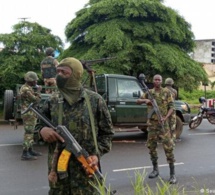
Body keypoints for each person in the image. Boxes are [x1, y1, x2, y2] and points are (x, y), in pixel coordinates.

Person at [36, 57, 114, 194]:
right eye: (57, 71)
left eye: (64, 72)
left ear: (76, 74)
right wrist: (42, 131)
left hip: (87, 175)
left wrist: (97, 155)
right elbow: (36, 129)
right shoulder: (52, 101)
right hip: (59, 179)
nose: (59, 75)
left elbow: (107, 134)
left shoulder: (95, 101)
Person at [136, 74, 177, 184]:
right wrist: (146, 101)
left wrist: (165, 117)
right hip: (152, 126)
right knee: (151, 147)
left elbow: (172, 107)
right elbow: (137, 101)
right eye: (155, 79)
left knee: (169, 148)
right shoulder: (150, 93)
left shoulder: (166, 92)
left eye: (159, 79)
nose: (157, 81)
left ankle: (172, 174)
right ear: (153, 81)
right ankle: (155, 170)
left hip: (163, 125)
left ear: (162, 81)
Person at [20, 71, 42, 160]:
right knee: (28, 133)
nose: (36, 82)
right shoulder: (27, 89)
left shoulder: (27, 87)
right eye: (35, 80)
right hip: (28, 113)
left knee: (31, 132)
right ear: (30, 80)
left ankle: (30, 150)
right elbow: (36, 100)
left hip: (29, 112)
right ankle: (25, 153)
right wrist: (39, 92)